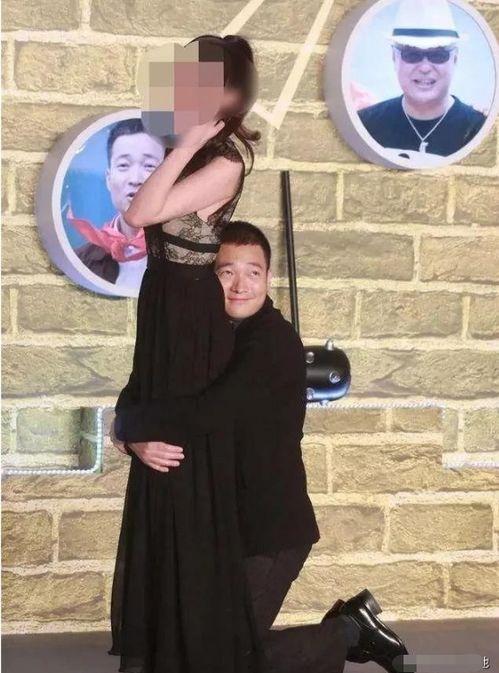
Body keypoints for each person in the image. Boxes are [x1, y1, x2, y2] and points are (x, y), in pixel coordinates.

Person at [113, 221, 410, 673]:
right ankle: (349, 627)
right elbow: (142, 384)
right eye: (226, 272)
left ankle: (349, 631)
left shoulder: (272, 342)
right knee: (199, 647)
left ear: (268, 277)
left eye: (253, 272)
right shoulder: (204, 336)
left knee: (218, 658)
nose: (240, 285)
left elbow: (209, 413)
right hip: (220, 527)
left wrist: (130, 428)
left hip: (269, 531)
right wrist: (130, 429)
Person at [107, 34, 262, 673]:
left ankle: (192, 643)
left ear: (227, 92)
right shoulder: (189, 151)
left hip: (194, 324)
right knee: (155, 462)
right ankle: (159, 639)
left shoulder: (225, 161)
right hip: (164, 314)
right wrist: (182, 144)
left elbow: (140, 213)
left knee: (184, 474)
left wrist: (186, 143)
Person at [357, 0, 487, 160]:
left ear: (455, 59)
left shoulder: (480, 130)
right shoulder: (364, 125)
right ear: (394, 58)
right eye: (411, 54)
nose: (425, 68)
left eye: (438, 55)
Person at [68, 119, 167, 287]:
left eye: (149, 166)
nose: (135, 179)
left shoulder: (189, 256)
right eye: (123, 165)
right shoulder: (81, 262)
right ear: (108, 179)